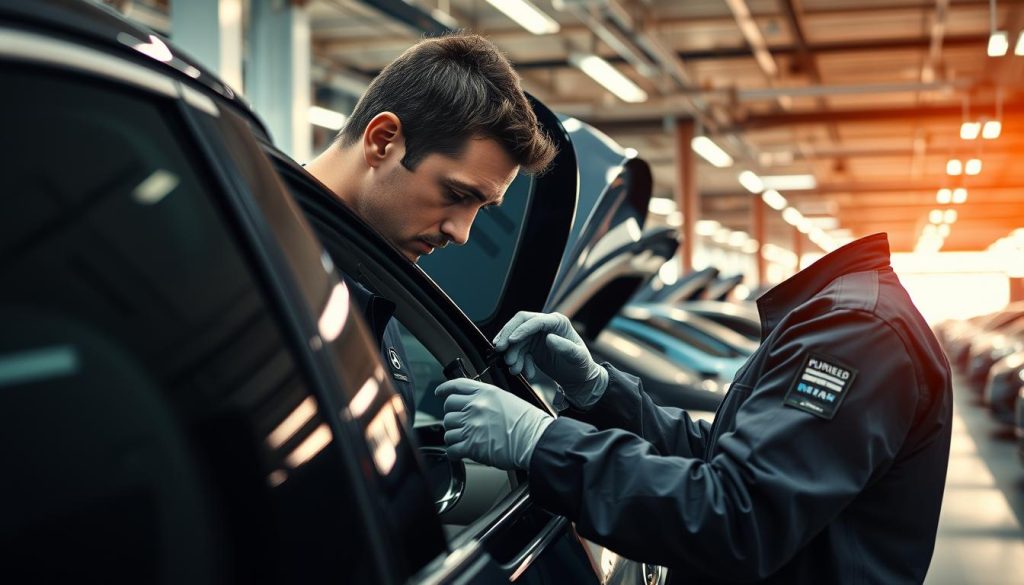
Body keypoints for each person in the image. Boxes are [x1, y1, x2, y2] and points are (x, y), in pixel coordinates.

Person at [436, 233, 953, 584]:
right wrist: (597, 389)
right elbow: (717, 460)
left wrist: (541, 442)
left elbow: (738, 518)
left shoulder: (852, 330)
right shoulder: (841, 315)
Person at [303, 33, 556, 411]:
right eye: (456, 195)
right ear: (383, 141)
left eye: (482, 207)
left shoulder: (378, 279)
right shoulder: (253, 257)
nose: (462, 233)